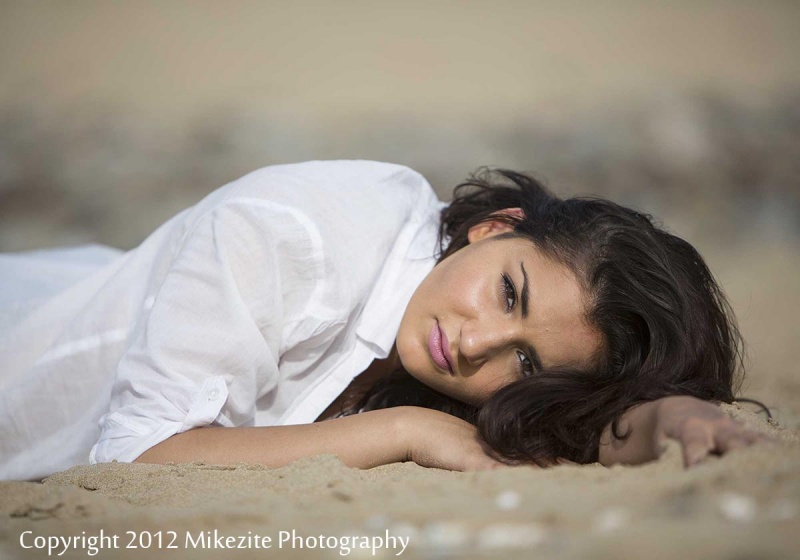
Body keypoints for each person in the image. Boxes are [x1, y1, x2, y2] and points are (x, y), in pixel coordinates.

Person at [0, 160, 769, 481]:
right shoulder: (292, 236)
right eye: (509, 294)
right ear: (495, 226)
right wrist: (405, 430)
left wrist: (671, 413)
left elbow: (582, 426)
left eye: (527, 364)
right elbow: (134, 456)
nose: (475, 345)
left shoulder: (469, 344)